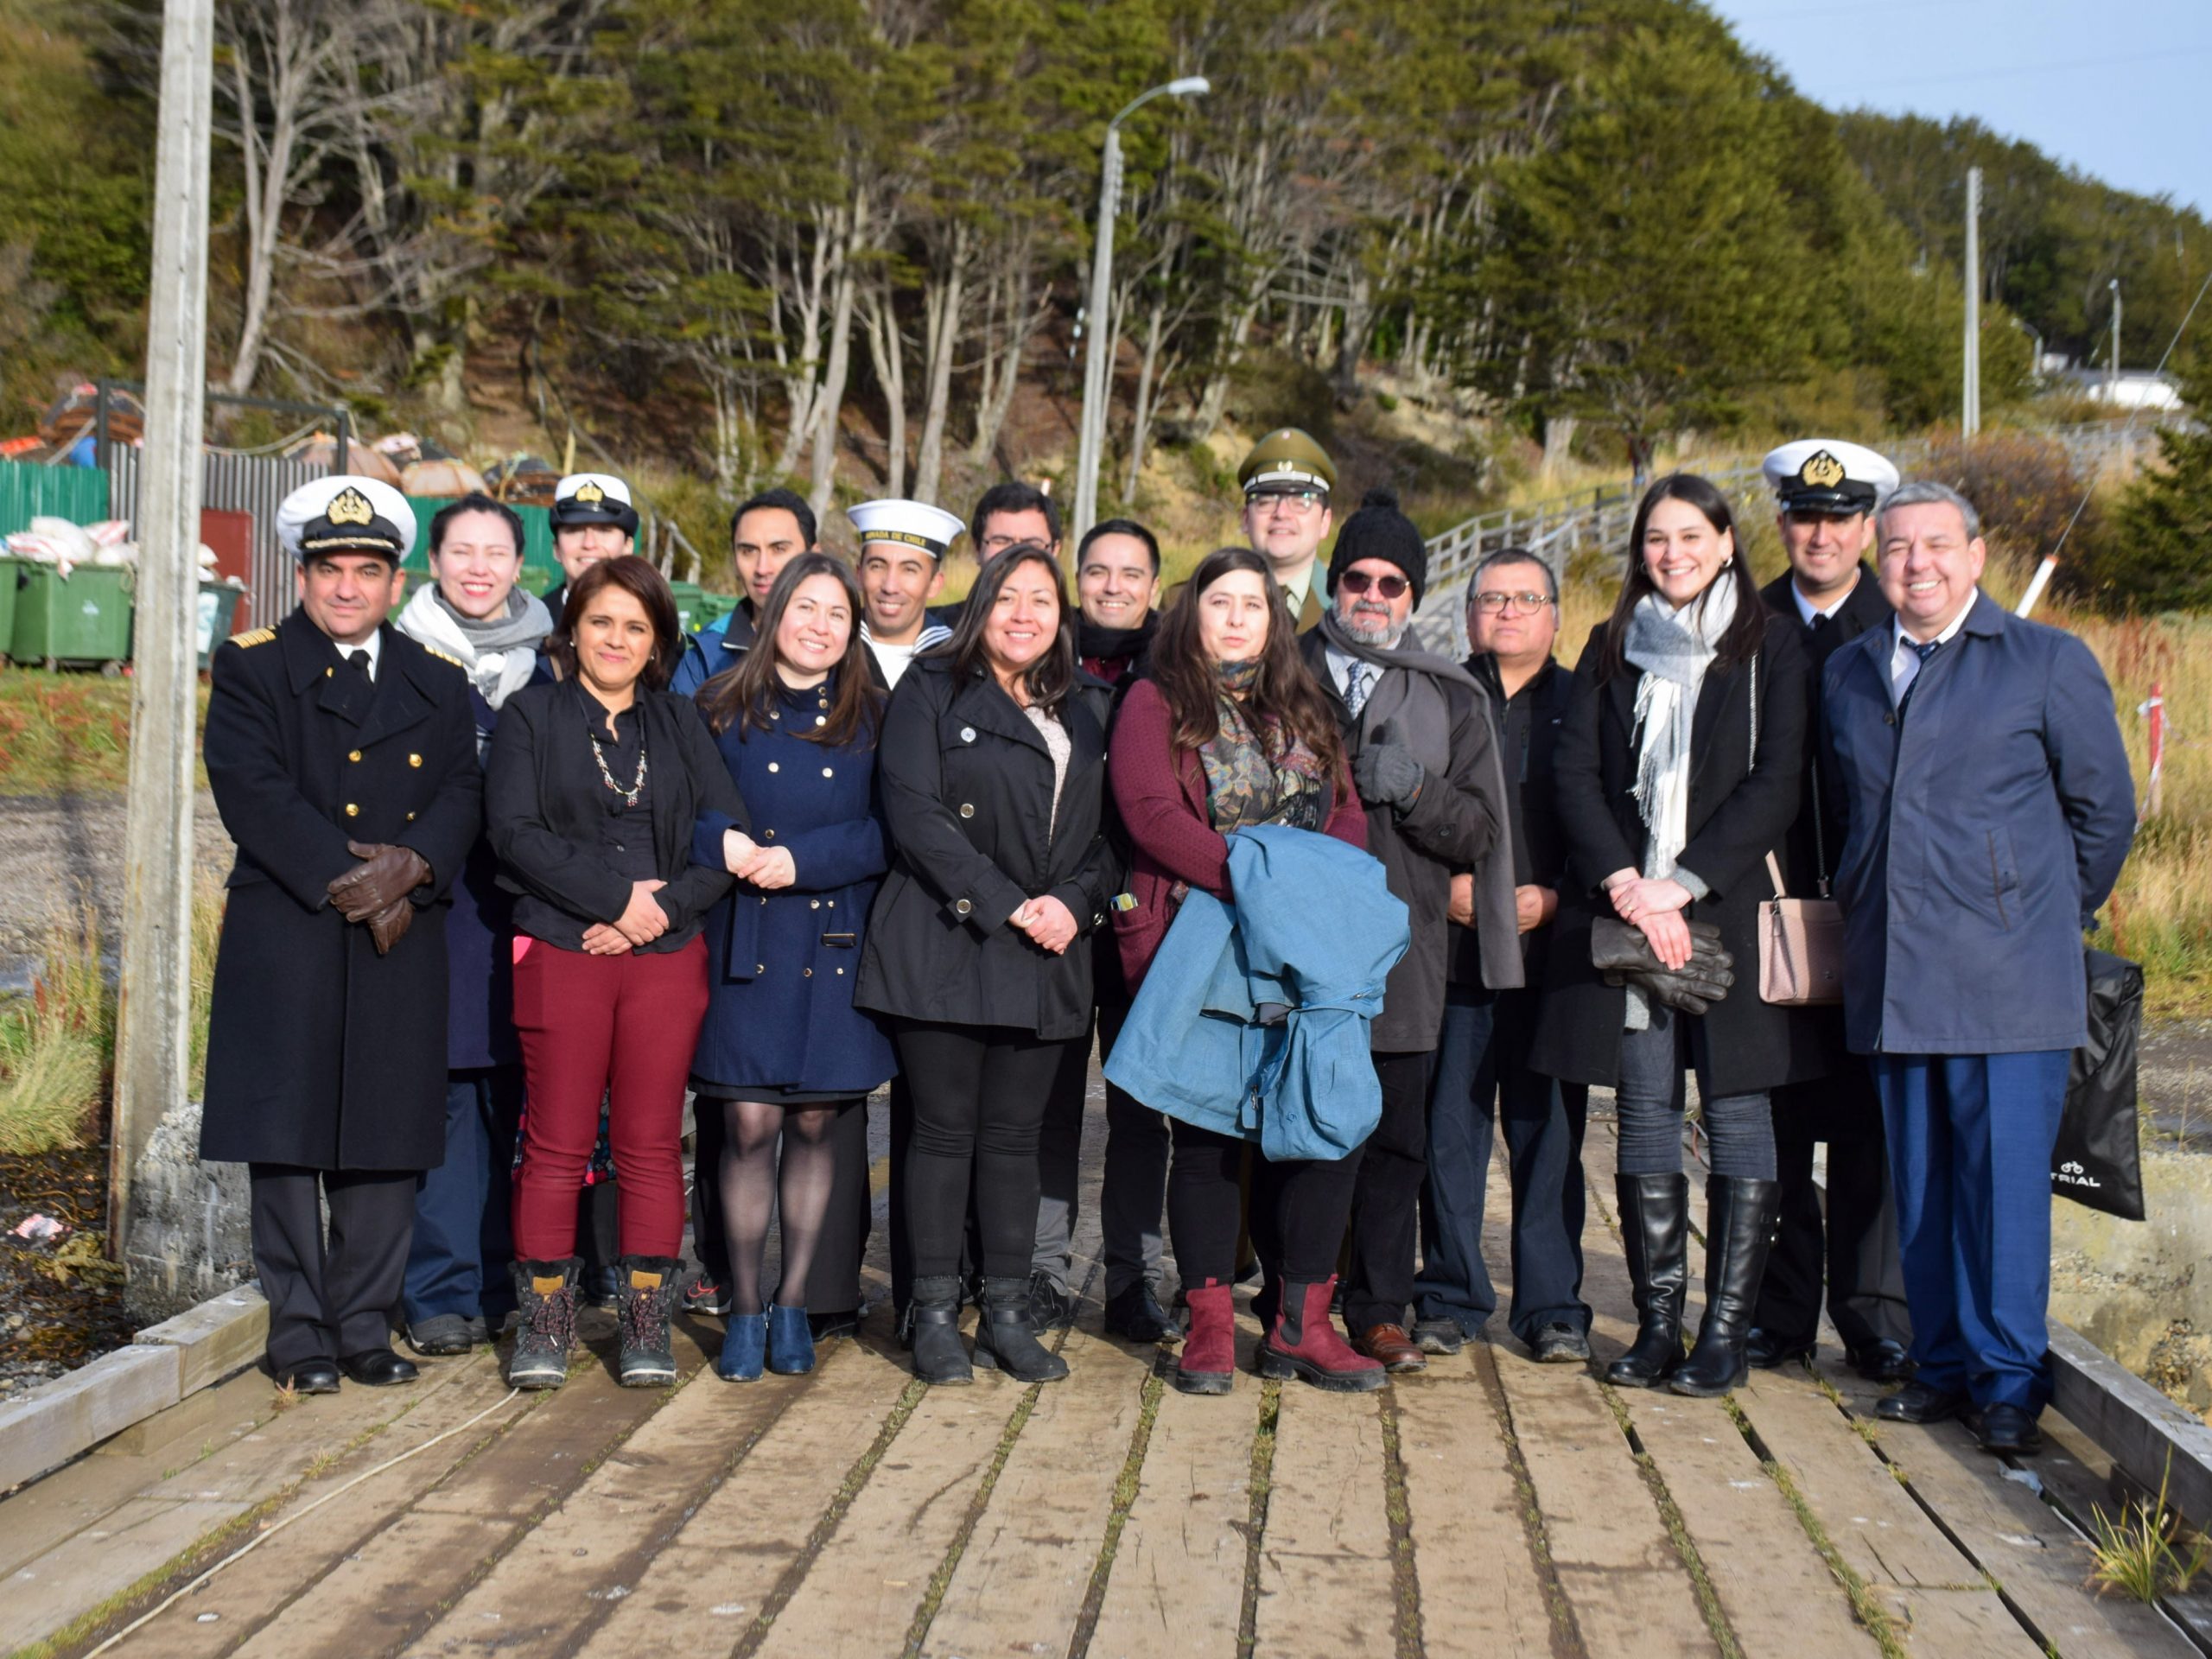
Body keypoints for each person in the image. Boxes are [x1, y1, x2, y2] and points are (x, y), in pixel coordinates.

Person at [1823, 481, 2133, 1453]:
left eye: (1935, 546)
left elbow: (2105, 816)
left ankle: (2007, 1381)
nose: (1916, 564)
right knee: (1917, 1184)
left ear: (1976, 555)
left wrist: (2036, 915)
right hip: (1895, 977)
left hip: (2008, 981)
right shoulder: (1850, 672)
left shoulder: (2044, 662)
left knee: (2001, 1193)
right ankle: (1942, 1363)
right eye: (1898, 549)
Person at [1532, 474, 1815, 1398]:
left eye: (1691, 535)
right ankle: (1657, 1325)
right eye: (1656, 538)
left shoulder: (1772, 647)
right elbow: (1574, 775)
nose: (1673, 553)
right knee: (1646, 1111)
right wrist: (1629, 885)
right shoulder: (1612, 646)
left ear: (1728, 542)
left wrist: (1682, 884)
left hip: (1723, 906)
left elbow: (1774, 784)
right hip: (1630, 916)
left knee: (1737, 1114)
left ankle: (1723, 1334)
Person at [199, 476, 480, 1394]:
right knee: (286, 1138)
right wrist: (357, 881)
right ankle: (300, 1334)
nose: (348, 587)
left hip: (402, 930)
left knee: (385, 1138)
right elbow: (251, 789)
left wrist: (418, 865)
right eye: (331, 570)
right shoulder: (251, 666)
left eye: (367, 570)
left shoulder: (437, 681)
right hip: (294, 924)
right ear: (302, 574)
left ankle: (364, 1327)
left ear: (396, 581)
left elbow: (462, 793)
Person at [1109, 546, 1382, 1394]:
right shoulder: (1157, 701)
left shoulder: (1304, 711)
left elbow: (1347, 818)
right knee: (1207, 1136)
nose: (1235, 617)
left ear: (1274, 621)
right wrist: (1264, 882)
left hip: (1309, 948)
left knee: (1324, 1126)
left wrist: (1301, 897)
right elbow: (1151, 815)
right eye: (1219, 601)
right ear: (1192, 613)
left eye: (1252, 605)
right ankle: (1210, 1327)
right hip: (1204, 939)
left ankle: (1301, 1322)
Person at [855, 544, 1118, 1387]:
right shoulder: (930, 689)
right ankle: (932, 1311)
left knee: (1015, 1142)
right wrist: (1003, 899)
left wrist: (1075, 905)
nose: (1024, 615)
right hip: (948, 938)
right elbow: (916, 815)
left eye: (1042, 601)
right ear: (979, 605)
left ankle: (1004, 1311)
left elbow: (1112, 837)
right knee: (937, 1132)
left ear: (1061, 618)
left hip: (1048, 948)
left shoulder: (1087, 709)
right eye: (1008, 597)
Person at [486, 556, 747, 1389]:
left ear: (658, 641)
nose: (617, 639)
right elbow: (515, 835)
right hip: (561, 950)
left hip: (667, 958)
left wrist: (659, 913)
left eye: (636, 627)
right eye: (602, 621)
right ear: (573, 628)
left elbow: (725, 838)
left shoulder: (680, 723)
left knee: (648, 1146)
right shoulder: (530, 717)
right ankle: (547, 1324)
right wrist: (612, 904)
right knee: (555, 1146)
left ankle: (643, 1325)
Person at [1298, 490, 1512, 1375]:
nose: (1372, 595)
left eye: (1392, 581)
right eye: (1357, 577)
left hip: (1404, 947)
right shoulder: (1282, 667)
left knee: (1393, 1136)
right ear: (1333, 582)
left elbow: (1478, 830)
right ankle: (1294, 1293)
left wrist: (1415, 790)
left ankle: (1378, 1307)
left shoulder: (1448, 693)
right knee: (1301, 1124)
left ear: (1413, 594)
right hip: (1295, 941)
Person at [691, 554, 894, 1382]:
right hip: (743, 934)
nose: (819, 626)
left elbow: (891, 830)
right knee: (745, 1124)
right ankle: (742, 1306)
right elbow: (680, 804)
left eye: (836, 615)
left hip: (832, 939)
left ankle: (794, 1303)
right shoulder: (716, 706)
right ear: (775, 613)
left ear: (853, 630)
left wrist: (799, 861)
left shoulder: (876, 717)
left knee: (815, 1122)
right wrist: (724, 843)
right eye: (805, 608)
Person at [1745, 440, 1914, 1382]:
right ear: (1783, 524)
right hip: (1762, 904)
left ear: (1865, 529)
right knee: (1769, 1125)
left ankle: (1872, 1316)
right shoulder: (1743, 623)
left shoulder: (1900, 625)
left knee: (1866, 1132)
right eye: (1805, 518)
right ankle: (1776, 1314)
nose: (1821, 533)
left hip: (1874, 912)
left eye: (1840, 519)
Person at [1413, 549, 1591, 1363]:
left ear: (1555, 614)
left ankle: (1553, 1305)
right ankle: (1449, 1293)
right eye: (1492, 599)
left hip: (1553, 952)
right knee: (1449, 1125)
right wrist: (1436, 886)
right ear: (1470, 615)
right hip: (1453, 946)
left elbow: (1609, 821)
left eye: (1526, 599)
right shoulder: (1440, 695)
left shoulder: (1589, 701)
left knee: (1546, 1130)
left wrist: (1558, 896)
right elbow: (1401, 809)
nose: (1509, 612)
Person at [391, 493, 554, 1357]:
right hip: (442, 910)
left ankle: (509, 1279)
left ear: (521, 566)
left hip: (534, 908)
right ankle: (441, 1289)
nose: (479, 569)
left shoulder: (555, 661)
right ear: (435, 560)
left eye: (496, 553)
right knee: (451, 1098)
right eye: (462, 552)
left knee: (521, 1100)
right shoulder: (402, 656)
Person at [1033, 517, 1176, 1344]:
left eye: (1131, 574)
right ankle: (1045, 1269)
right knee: (1049, 1108)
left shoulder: (1176, 675)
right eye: (1098, 571)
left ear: (1155, 588)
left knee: (1139, 1112)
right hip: (1058, 922)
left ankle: (1133, 1279)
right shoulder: (1040, 665)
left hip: (1147, 928)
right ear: (1075, 579)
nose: (1114, 586)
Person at [673, 488, 818, 696]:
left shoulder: (844, 649)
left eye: (778, 549)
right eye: (748, 551)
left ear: (814, 556)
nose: (762, 568)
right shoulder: (705, 658)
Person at [852, 497, 962, 688]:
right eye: (877, 566)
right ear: (859, 574)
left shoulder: (959, 661)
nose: (890, 587)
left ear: (935, 583)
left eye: (909, 569)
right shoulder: (830, 647)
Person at [923, 481, 1062, 630]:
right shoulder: (933, 631)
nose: (1016, 553)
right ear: (977, 549)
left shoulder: (1077, 638)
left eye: (1032, 542)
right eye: (1002, 541)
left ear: (1055, 551)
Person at [1239, 428, 1336, 632]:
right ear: (1246, 518)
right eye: (1265, 500)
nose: (1282, 513)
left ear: (1325, 522)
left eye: (1302, 501)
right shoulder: (1190, 603)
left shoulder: (1348, 608)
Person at [543, 472, 639, 624]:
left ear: (627, 547)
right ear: (556, 549)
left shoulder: (653, 620)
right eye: (574, 531)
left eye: (604, 530)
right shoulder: (531, 625)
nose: (589, 544)